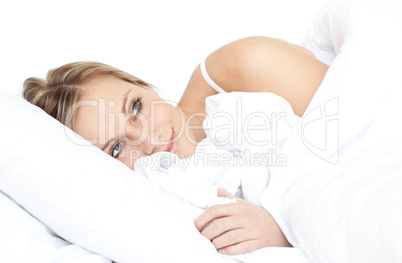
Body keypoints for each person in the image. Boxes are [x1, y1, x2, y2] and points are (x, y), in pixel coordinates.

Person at [23, 36, 329, 255]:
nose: (148, 139)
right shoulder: (170, 202)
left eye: (135, 107)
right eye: (116, 148)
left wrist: (286, 229)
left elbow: (362, 141)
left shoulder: (244, 66)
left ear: (143, 84)